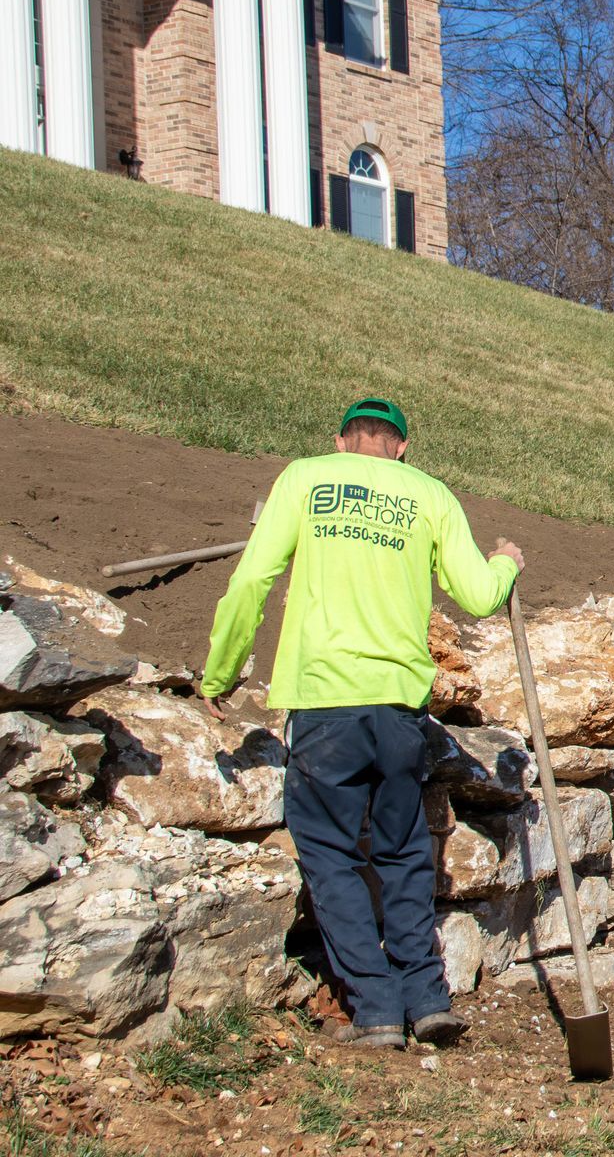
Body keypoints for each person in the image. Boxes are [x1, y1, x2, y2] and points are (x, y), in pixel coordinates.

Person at [200, 398, 524, 1050]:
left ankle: (376, 1008)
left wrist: (220, 674)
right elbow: (481, 595)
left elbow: (250, 582)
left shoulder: (305, 478)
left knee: (329, 854)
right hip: (401, 710)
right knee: (406, 852)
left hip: (324, 706)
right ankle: (428, 999)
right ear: (403, 447)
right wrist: (507, 561)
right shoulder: (429, 495)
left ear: (342, 441)